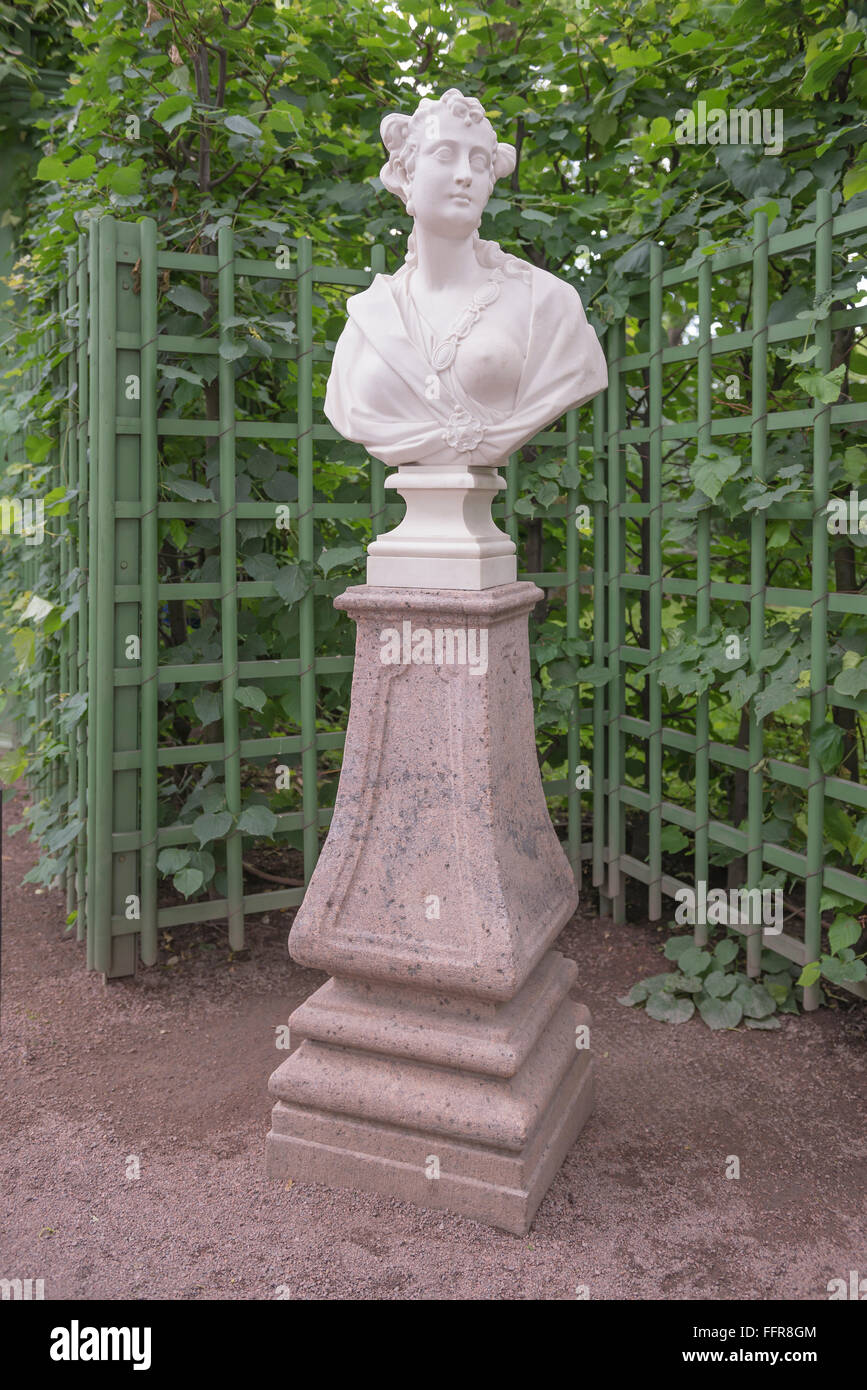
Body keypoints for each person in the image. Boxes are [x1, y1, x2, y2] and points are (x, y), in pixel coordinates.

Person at [324, 87, 607, 471]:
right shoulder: (368, 319)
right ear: (406, 175)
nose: (464, 175)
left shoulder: (547, 302)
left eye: (478, 162)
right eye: (444, 154)